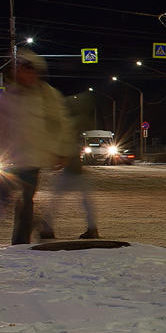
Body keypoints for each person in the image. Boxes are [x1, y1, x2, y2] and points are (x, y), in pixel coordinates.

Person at [0, 48, 73, 245]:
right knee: (11, 196)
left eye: (32, 71)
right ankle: (34, 225)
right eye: (23, 70)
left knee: (25, 197)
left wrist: (62, 151)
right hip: (11, 157)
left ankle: (20, 242)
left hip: (33, 156)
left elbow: (63, 123)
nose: (29, 75)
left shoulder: (48, 95)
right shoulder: (9, 96)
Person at [37, 91, 100, 240]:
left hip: (72, 168)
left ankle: (48, 228)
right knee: (83, 199)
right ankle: (92, 228)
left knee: (57, 198)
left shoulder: (69, 123)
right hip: (74, 168)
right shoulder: (77, 121)